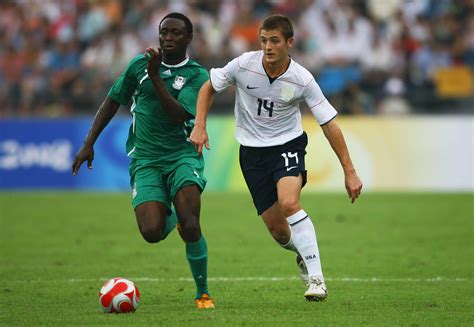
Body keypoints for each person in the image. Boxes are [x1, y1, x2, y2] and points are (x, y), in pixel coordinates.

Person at [190, 14, 362, 301]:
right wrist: (199, 125)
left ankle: (317, 279)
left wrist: (350, 170)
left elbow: (329, 123)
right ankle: (302, 252)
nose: (267, 46)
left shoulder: (302, 78)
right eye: (263, 40)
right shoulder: (244, 64)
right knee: (280, 233)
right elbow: (209, 86)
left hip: (287, 145)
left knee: (290, 203)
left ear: (289, 43)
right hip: (251, 153)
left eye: (274, 41)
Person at [72, 12, 215, 309]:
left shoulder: (197, 75)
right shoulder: (139, 64)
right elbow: (113, 99)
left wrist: (154, 76)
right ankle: (170, 216)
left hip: (182, 154)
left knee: (192, 224)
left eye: (176, 33)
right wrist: (89, 143)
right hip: (146, 158)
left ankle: (202, 293)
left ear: (189, 38)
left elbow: (178, 114)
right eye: (164, 32)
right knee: (151, 232)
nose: (168, 38)